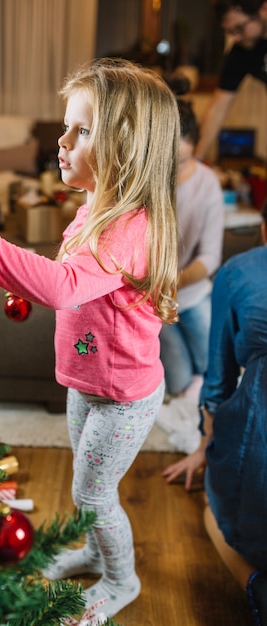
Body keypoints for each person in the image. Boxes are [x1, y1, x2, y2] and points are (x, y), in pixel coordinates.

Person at [0, 57, 180, 622]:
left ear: (126, 146)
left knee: (91, 493)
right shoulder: (95, 210)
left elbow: (61, 288)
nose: (60, 141)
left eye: (81, 130)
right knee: (89, 490)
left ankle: (120, 577)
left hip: (124, 398)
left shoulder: (131, 228)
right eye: (66, 126)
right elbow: (58, 277)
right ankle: (91, 548)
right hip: (87, 383)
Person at [162, 199, 267, 626]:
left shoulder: (239, 271)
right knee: (178, 368)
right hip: (176, 299)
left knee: (212, 510)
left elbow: (219, 382)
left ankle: (256, 585)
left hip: (190, 294)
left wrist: (209, 446)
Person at [160, 99, 224, 399]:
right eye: (170, 160)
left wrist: (178, 281)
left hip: (193, 292)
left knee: (215, 370)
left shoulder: (208, 184)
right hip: (154, 302)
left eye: (183, 161)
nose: (176, 168)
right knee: (179, 382)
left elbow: (210, 256)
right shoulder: (148, 182)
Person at [194, 0, 267, 161]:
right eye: (230, 31)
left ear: (264, 8)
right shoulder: (241, 53)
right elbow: (217, 109)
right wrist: (195, 162)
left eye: (239, 28)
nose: (236, 37)